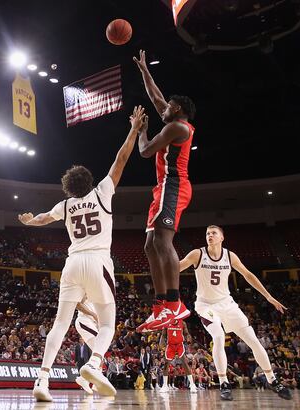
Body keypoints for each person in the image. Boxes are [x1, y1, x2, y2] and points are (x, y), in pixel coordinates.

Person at [19, 106, 148, 402]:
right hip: (97, 260)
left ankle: (42, 379)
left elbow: (41, 219)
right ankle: (93, 364)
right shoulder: (101, 192)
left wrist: (29, 221)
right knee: (107, 324)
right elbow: (121, 159)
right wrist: (133, 129)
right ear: (88, 181)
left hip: (72, 262)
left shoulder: (64, 207)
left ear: (68, 187)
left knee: (60, 324)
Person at [179, 225, 292, 401]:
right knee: (218, 336)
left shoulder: (229, 256)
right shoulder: (197, 254)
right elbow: (176, 268)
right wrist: (163, 265)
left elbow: (248, 275)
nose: (210, 235)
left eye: (213, 233)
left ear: (222, 237)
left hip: (227, 304)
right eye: (207, 233)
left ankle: (272, 380)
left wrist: (269, 297)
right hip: (206, 305)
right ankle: (224, 383)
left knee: (253, 340)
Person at [133, 50, 196, 332]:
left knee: (163, 243)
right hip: (163, 188)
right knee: (150, 245)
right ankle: (160, 306)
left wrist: (140, 129)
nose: (163, 108)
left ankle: (175, 302)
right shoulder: (173, 121)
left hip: (174, 186)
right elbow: (156, 97)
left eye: (169, 106)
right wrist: (145, 70)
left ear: (178, 110)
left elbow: (146, 151)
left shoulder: (178, 128)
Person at [159, 319, 197, 393]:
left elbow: (186, 333)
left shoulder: (182, 323)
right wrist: (161, 342)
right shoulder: (167, 323)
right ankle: (165, 385)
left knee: (185, 363)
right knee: (166, 364)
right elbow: (163, 335)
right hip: (170, 345)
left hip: (179, 345)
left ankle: (192, 385)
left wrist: (188, 337)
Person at [73, 297, 99, 394]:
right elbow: (78, 304)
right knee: (100, 346)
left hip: (91, 323)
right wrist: (92, 314)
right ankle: (92, 379)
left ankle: (86, 379)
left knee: (99, 352)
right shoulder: (86, 289)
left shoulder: (97, 297)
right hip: (84, 321)